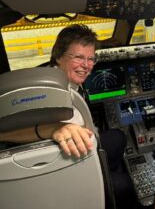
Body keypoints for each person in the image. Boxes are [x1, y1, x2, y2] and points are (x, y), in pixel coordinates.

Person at [0, 24, 96, 158]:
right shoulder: (40, 87)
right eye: (78, 57)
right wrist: (55, 128)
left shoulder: (73, 82)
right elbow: (9, 131)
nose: (86, 65)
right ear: (58, 56)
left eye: (91, 59)